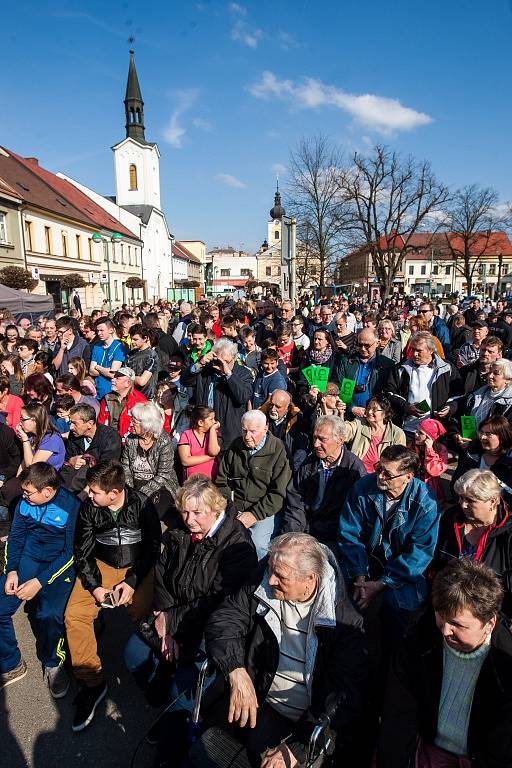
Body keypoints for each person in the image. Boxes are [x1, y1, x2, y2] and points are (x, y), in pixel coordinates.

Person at [194, 534, 367, 768]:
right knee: (202, 749)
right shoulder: (266, 574)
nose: (271, 580)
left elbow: (340, 697)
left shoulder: (344, 622)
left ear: (309, 580)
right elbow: (225, 619)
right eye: (272, 570)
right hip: (259, 695)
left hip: (303, 720)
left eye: (281, 577)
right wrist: (235, 669)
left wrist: (298, 746)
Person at [123, 475, 257, 758]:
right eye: (184, 511)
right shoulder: (180, 532)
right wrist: (163, 618)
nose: (189, 519)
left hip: (207, 628)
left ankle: (172, 744)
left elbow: (217, 602)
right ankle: (162, 708)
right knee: (133, 653)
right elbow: (163, 574)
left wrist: (171, 621)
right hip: (170, 617)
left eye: (197, 513)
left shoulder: (236, 545)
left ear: (215, 510)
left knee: (180, 694)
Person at [377, 559, 512, 768]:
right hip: (422, 754)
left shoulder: (506, 667)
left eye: (457, 624)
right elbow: (397, 720)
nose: (445, 630)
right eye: (441, 617)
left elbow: (502, 750)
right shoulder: (417, 641)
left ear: (489, 623)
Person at [65, 460, 161, 731]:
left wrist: (132, 581)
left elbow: (153, 547)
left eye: (94, 491)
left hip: (138, 567)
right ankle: (92, 682)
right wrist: (95, 586)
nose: (88, 494)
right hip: (103, 566)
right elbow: (82, 552)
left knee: (147, 613)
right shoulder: (89, 508)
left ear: (115, 493)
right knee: (76, 615)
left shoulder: (142, 504)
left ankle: (156, 671)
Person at [339, 445, 440, 644]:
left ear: (408, 477)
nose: (380, 476)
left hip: (402, 569)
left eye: (388, 473)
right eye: (379, 468)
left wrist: (382, 583)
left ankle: (391, 658)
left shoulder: (426, 502)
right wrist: (359, 575)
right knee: (337, 587)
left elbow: (420, 552)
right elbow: (349, 533)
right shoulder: (363, 487)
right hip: (364, 559)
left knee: (395, 607)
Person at [0, 463, 79, 697]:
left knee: (50, 615)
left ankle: (53, 662)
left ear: (47, 491)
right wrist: (12, 570)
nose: (24, 496)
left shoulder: (71, 506)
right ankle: (12, 663)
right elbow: (15, 538)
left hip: (58, 565)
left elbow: (70, 553)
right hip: (28, 558)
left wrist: (39, 582)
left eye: (28, 492)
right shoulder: (25, 503)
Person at [433, 469, 512, 617]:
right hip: (446, 602)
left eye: (470, 500)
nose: (463, 505)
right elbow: (435, 559)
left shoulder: (508, 533)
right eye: (461, 498)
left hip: (489, 612)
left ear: (493, 501)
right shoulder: (452, 518)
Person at [283, 415, 366, 554]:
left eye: (323, 439)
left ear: (340, 440)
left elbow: (352, 518)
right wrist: (294, 537)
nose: (315, 444)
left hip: (334, 538)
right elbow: (295, 503)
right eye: (315, 438)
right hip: (304, 531)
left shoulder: (354, 470)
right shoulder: (309, 463)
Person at [215, 410, 292, 559]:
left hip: (264, 511)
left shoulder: (278, 450)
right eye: (244, 431)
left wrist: (254, 514)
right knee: (219, 539)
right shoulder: (236, 446)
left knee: (257, 547)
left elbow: (278, 493)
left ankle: (254, 579)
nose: (247, 436)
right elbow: (221, 481)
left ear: (265, 428)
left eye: (253, 432)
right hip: (234, 506)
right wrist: (230, 507)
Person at [386, 331, 461, 441]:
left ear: (431, 350)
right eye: (413, 349)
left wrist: (449, 407)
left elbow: (458, 394)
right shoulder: (401, 368)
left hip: (434, 431)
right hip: (407, 430)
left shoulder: (446, 368)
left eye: (419, 350)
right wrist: (406, 406)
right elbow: (389, 392)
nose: (414, 354)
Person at [182, 339, 253, 451]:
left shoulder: (243, 374)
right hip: (202, 431)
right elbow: (185, 381)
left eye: (226, 361)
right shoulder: (206, 370)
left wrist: (229, 375)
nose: (222, 364)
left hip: (228, 435)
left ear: (234, 359)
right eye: (219, 361)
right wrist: (200, 363)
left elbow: (243, 397)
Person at [121, 401, 179, 520]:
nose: (131, 424)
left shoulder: (163, 440)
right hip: (135, 484)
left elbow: (163, 475)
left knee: (150, 513)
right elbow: (125, 467)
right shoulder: (130, 439)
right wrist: (131, 490)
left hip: (161, 486)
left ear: (146, 424)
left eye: (134, 422)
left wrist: (142, 493)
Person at [61, 404, 122, 493]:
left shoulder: (110, 437)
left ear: (89, 424)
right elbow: (66, 461)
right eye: (71, 423)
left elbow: (107, 470)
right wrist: (71, 461)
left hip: (96, 488)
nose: (71, 427)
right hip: (70, 485)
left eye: (75, 423)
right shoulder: (74, 435)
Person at [336, 329, 395, 418]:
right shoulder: (347, 361)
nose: (363, 349)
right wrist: (352, 407)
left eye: (367, 345)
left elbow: (389, 393)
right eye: (360, 345)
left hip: (375, 417)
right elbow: (340, 386)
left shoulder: (387, 365)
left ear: (377, 343)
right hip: (349, 415)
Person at [342, 396, 406, 473]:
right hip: (356, 473)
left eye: (374, 410)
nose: (369, 412)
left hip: (381, 475)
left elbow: (399, 460)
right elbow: (342, 431)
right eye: (368, 408)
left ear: (385, 413)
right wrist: (339, 412)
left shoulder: (397, 433)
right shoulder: (359, 423)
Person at [452, 415, 512, 491]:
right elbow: (457, 481)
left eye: (488, 434)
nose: (482, 437)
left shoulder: (509, 463)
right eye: (481, 432)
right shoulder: (470, 453)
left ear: (502, 436)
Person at [455, 358, 512, 431]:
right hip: (471, 440)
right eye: (490, 372)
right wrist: (457, 434)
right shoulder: (475, 395)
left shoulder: (509, 403)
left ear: (508, 380)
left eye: (496, 373)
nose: (490, 376)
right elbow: (463, 418)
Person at [259, 389, 309, 471]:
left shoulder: (297, 421)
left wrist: (290, 470)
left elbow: (300, 452)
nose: (272, 409)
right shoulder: (261, 417)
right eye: (271, 405)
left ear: (288, 408)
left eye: (278, 407)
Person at [98, 366, 147, 442]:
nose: (112, 380)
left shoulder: (140, 401)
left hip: (130, 443)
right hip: (108, 441)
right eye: (114, 377)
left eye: (117, 378)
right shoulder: (107, 398)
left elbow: (143, 427)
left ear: (127, 383)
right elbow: (101, 423)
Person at [16, 403, 65, 471]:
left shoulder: (52, 439)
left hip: (46, 478)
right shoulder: (31, 435)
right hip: (31, 477)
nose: (20, 422)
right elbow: (25, 461)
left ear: (35, 420)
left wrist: (25, 440)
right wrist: (17, 479)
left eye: (23, 419)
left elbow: (32, 467)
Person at [177, 405, 221, 481]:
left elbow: (213, 452)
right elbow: (185, 460)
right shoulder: (186, 435)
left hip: (212, 481)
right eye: (211, 419)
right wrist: (209, 457)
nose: (215, 422)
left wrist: (213, 429)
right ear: (200, 422)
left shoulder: (214, 434)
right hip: (192, 483)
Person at [89, 317, 125, 400]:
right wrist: (105, 371)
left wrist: (98, 367)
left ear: (111, 330)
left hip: (111, 393)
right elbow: (91, 371)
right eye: (97, 331)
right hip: (97, 392)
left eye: (102, 330)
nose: (99, 333)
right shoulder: (97, 346)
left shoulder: (119, 347)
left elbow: (112, 373)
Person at [414, 418, 449, 502]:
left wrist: (429, 450)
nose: (416, 434)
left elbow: (434, 471)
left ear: (430, 438)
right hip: (413, 483)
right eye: (416, 430)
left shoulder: (441, 449)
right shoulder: (412, 446)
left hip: (429, 486)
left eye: (420, 433)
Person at [127, 323, 160, 400]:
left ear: (145, 338)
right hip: (131, 396)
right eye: (131, 339)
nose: (132, 342)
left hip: (145, 398)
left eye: (135, 339)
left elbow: (142, 381)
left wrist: (127, 377)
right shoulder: (131, 354)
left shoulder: (151, 355)